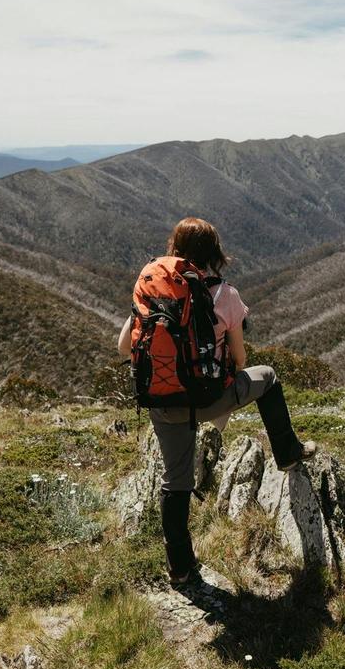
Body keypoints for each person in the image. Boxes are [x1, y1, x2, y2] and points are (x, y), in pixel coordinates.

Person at [117, 217, 317, 585]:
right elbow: (241, 362)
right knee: (268, 376)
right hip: (209, 399)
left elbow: (122, 348)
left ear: (175, 248)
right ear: (214, 254)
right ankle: (287, 453)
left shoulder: (151, 288)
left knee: (175, 482)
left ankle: (180, 568)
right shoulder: (226, 295)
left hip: (162, 400)